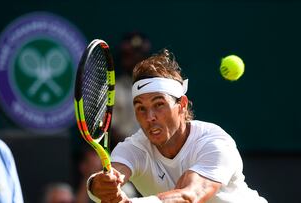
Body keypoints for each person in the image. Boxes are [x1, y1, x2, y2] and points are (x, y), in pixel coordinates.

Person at [86, 50, 267, 203]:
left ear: (182, 105)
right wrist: (100, 185)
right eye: (141, 108)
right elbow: (110, 177)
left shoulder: (215, 142)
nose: (150, 117)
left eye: (159, 104)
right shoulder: (134, 148)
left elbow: (189, 196)